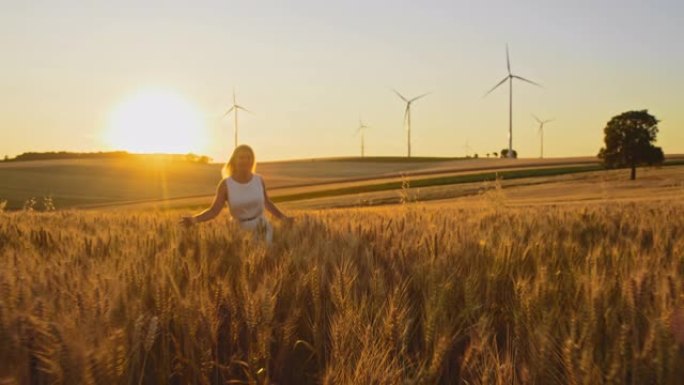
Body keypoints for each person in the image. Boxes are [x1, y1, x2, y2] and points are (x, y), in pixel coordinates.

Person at [180, 145, 292, 243]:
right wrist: (194, 219)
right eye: (241, 157)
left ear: (252, 161)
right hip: (239, 231)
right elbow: (214, 211)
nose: (245, 160)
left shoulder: (259, 180)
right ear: (234, 160)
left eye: (249, 157)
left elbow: (267, 203)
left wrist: (284, 218)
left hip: (262, 227)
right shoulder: (226, 184)